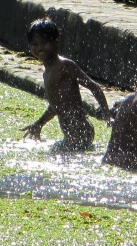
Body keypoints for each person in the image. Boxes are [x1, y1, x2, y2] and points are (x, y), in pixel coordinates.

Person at [21, 18, 108, 151]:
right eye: (35, 44)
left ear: (56, 42)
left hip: (80, 131)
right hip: (69, 134)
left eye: (44, 43)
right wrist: (39, 123)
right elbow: (56, 105)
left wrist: (107, 116)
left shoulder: (65, 66)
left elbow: (94, 86)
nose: (40, 48)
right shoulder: (46, 73)